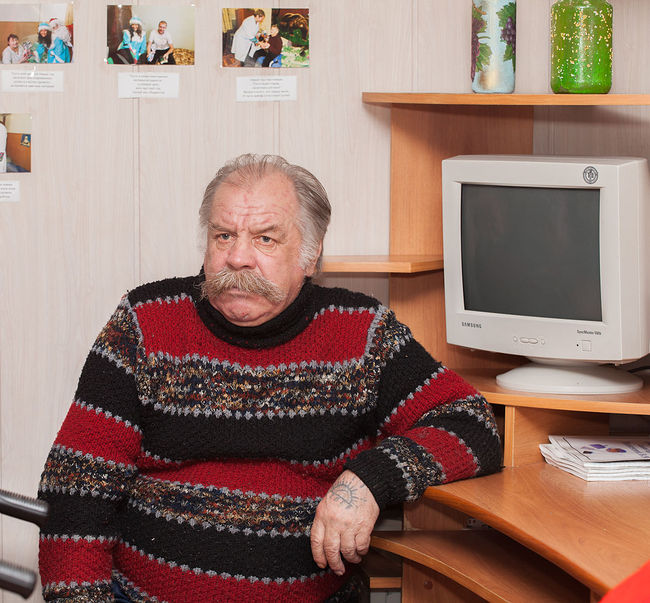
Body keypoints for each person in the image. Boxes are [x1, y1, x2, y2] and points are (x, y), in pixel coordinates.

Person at [37, 154, 502, 602]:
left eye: (265, 238)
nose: (237, 257)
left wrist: (371, 479)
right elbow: (77, 484)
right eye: (223, 235)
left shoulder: (361, 332)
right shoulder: (145, 321)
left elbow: (472, 423)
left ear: (310, 255)